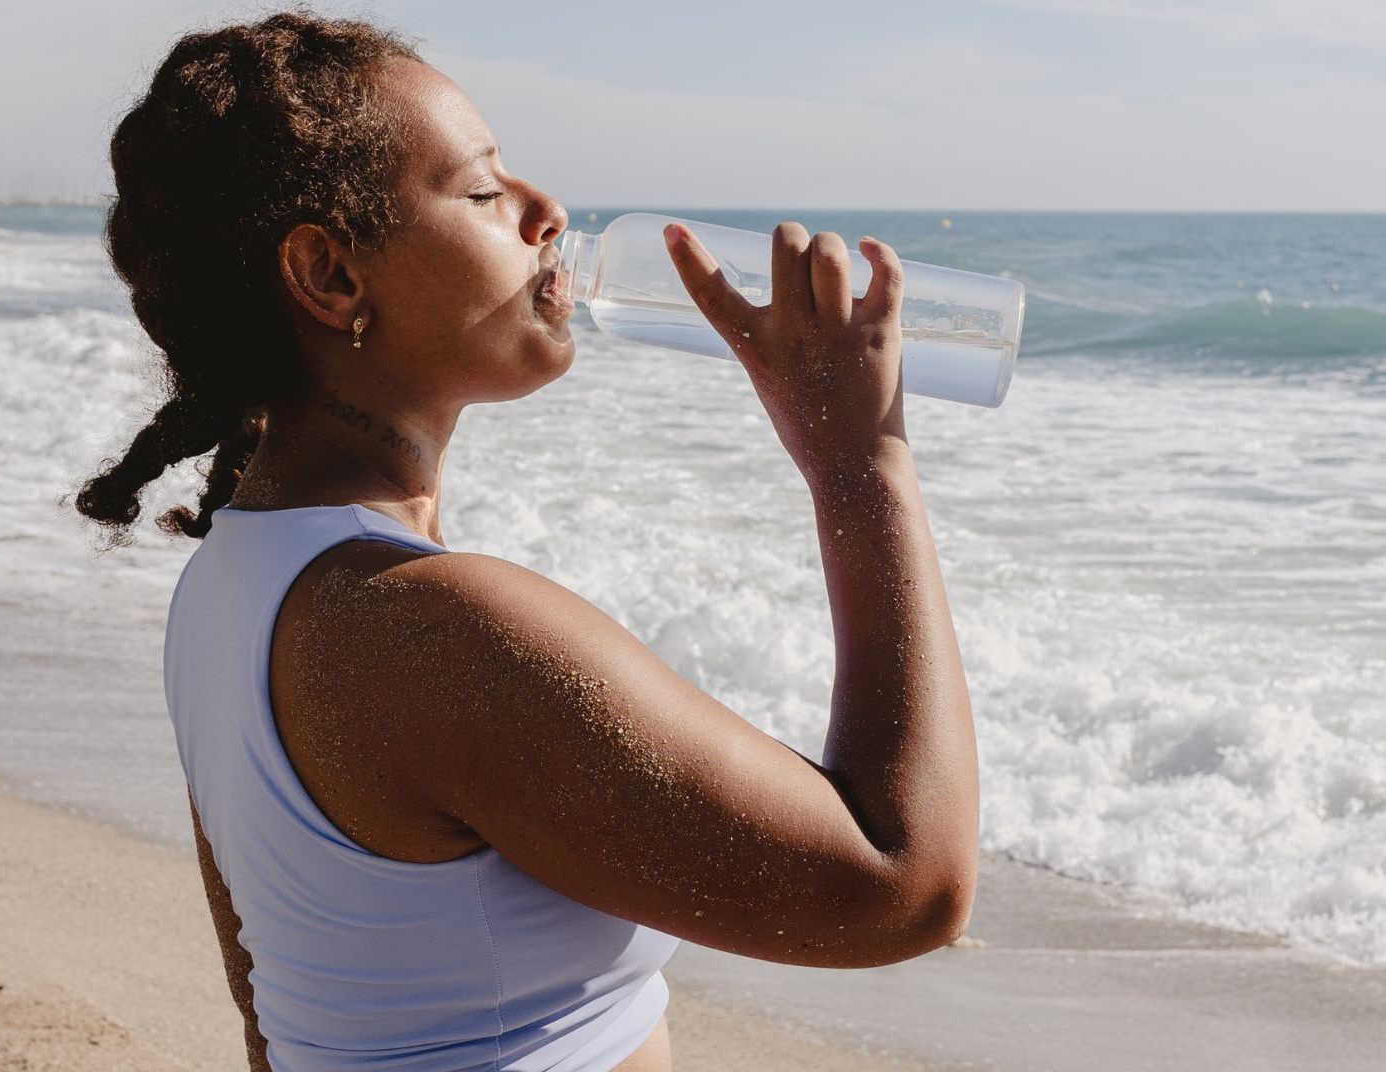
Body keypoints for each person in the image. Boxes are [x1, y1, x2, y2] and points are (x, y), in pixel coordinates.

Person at [72, 10, 979, 1072]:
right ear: (329, 276)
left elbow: (271, 1017)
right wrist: (858, 460)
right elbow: (905, 887)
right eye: (484, 191)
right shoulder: (430, 630)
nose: (547, 212)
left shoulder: (228, 583)